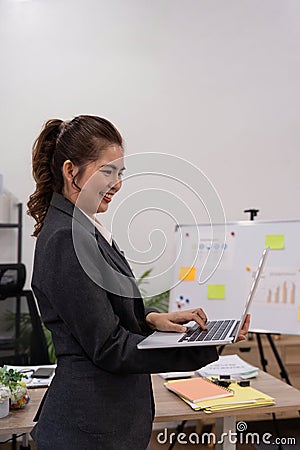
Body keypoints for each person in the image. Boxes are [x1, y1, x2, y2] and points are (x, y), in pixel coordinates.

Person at [27, 115, 250, 450]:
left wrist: (151, 319)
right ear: (71, 171)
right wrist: (202, 346)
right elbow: (109, 347)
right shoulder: (66, 239)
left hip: (105, 423)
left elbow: (102, 313)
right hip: (87, 431)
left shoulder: (84, 229)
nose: (117, 183)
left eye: (120, 173)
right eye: (107, 171)